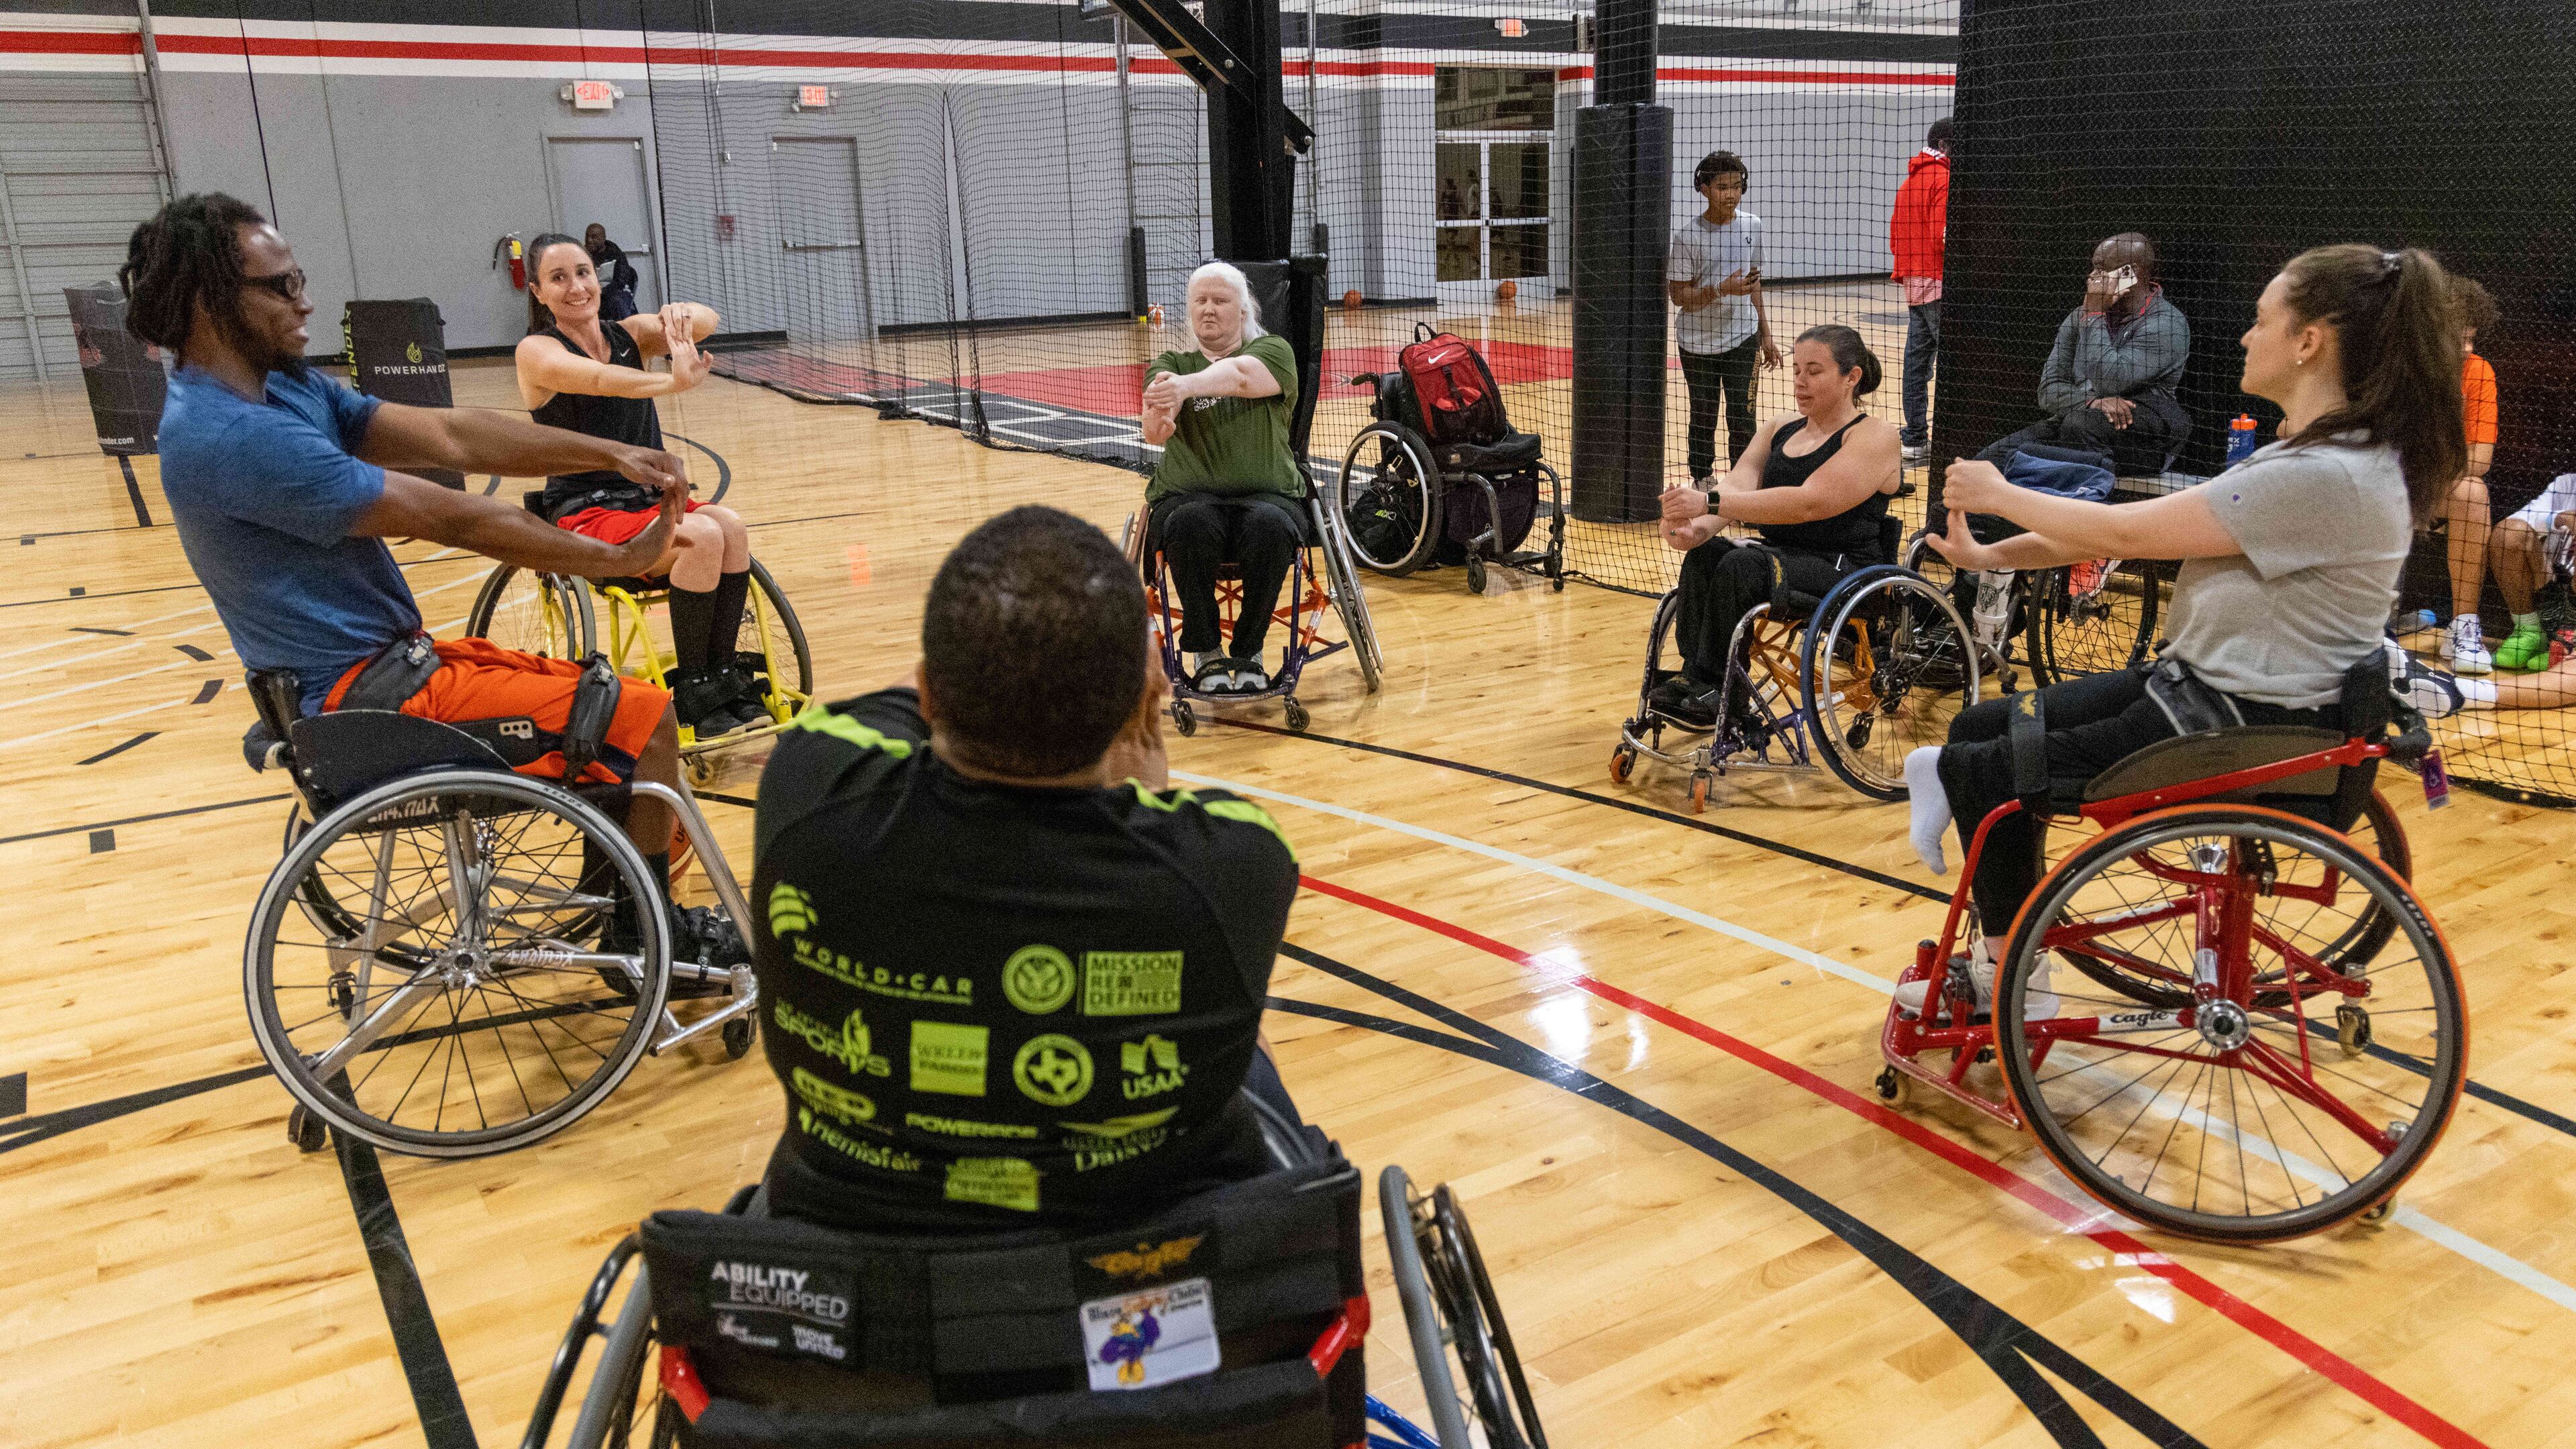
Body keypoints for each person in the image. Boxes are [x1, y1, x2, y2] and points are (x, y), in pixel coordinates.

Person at [125, 193, 739, 956]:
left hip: (384, 669)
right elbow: (454, 517)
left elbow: (450, 432)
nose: (305, 299)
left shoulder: (278, 385)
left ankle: (625, 906)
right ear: (209, 302)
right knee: (645, 722)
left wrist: (607, 453)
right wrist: (616, 559)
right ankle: (656, 942)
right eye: (281, 286)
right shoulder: (236, 435)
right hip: (367, 697)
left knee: (606, 698)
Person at [1902, 244, 2465, 1014]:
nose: (2244, 336)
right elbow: (2130, 531)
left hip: (2235, 720)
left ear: (2309, 342)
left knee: (1988, 773)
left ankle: (2012, 981)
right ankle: (1957, 808)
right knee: (1978, 726)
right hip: (2207, 692)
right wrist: (1992, 549)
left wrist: (2004, 490)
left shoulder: (2323, 475)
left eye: (2261, 320)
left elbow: (2124, 534)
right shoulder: (2320, 457)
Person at [747, 505, 1304, 1232]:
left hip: (855, 1249)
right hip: (1148, 1275)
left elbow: (903, 701)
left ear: (929, 692)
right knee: (1243, 1040)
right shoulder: (1240, 860)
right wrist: (1140, 795)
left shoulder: (809, 777)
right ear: (1140, 706)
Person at [517, 231, 761, 737]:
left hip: (647, 499)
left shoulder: (627, 332)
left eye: (583, 273)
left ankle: (723, 676)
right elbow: (600, 380)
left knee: (730, 526)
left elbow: (708, 323)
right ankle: (694, 690)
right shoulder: (537, 351)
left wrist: (679, 315)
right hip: (586, 509)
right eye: (558, 278)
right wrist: (672, 382)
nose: (576, 286)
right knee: (705, 537)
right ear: (538, 293)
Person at [1651, 325, 1903, 731]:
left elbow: (1809, 503)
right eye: (1797, 370)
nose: (1801, 382)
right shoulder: (1779, 428)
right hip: (1783, 557)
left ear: (1851, 377)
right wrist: (1692, 529)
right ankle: (1695, 677)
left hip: (1844, 569)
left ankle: (1719, 690)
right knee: (1709, 554)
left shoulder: (1874, 435)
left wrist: (1710, 501)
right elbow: (1736, 486)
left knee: (1742, 567)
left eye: (1815, 371)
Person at [1140, 260, 1303, 695]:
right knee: (1188, 525)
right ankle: (1206, 652)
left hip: (1268, 496)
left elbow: (1240, 377)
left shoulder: (1273, 352)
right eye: (1200, 301)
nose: (1208, 309)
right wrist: (1160, 420)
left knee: (1270, 527)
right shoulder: (1172, 363)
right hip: (1188, 499)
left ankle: (1249, 651)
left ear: (1244, 310)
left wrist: (1185, 388)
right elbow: (1156, 424)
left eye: (1220, 300)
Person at [1976, 232, 2191, 477]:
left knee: (2079, 427)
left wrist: (2094, 317)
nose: (2091, 277)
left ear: (2130, 273)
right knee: (1986, 465)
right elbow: (2048, 390)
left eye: (2100, 270)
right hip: (2078, 418)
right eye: (2093, 268)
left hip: (2137, 431)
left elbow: (2112, 380)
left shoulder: (2168, 323)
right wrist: (2092, 403)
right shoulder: (2079, 316)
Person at [1668, 150, 1781, 481]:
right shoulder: (1688, 237)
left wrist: (1766, 334)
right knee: (1703, 414)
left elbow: (1753, 282)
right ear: (1704, 188)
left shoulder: (1752, 226)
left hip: (1742, 339)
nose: (1731, 194)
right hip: (1697, 343)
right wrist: (1721, 290)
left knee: (1743, 417)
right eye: (1722, 187)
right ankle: (1703, 478)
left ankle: (1743, 484)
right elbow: (1679, 298)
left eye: (1736, 186)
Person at [2433, 276, 2505, 672]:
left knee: (2472, 493)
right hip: (2381, 482)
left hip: (2432, 485)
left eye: (2471, 326)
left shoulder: (2477, 373)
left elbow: (2479, 461)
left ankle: (2463, 628)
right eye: (2456, 322)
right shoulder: (2394, 365)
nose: (2466, 336)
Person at [1889, 117, 1952, 465]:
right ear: (1945, 146)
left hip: (1914, 283)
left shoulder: (1911, 179)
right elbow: (1943, 238)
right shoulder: (1943, 178)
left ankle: (1914, 441)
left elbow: (1895, 236)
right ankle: (1951, 439)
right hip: (1940, 284)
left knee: (1916, 365)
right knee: (1952, 364)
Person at [584, 222, 641, 322]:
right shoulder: (582, 255)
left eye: (594, 237)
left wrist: (602, 291)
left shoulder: (616, 254)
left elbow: (621, 282)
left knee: (617, 302)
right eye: (587, 236)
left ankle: (624, 332)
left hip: (612, 292)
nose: (589, 240)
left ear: (603, 238)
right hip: (591, 293)